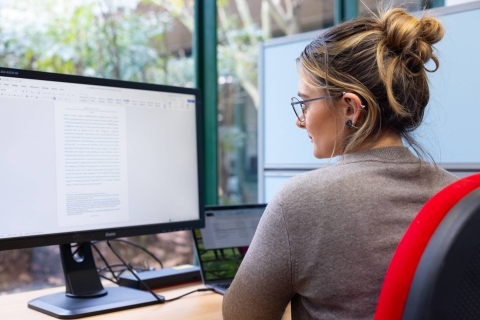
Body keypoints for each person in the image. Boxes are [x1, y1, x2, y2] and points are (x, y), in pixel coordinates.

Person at [222, 6, 458, 320]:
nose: (300, 120)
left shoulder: (301, 202)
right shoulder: (458, 197)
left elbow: (241, 315)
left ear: (350, 108)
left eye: (305, 102)